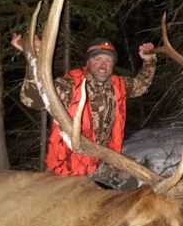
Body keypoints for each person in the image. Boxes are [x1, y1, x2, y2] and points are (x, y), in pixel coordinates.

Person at [11, 34, 157, 189]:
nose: (103, 65)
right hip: (68, 167)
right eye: (97, 59)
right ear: (88, 62)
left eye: (109, 60)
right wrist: (35, 58)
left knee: (130, 185)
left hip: (100, 162)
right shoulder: (70, 86)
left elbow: (141, 85)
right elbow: (33, 99)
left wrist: (149, 61)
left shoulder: (118, 85)